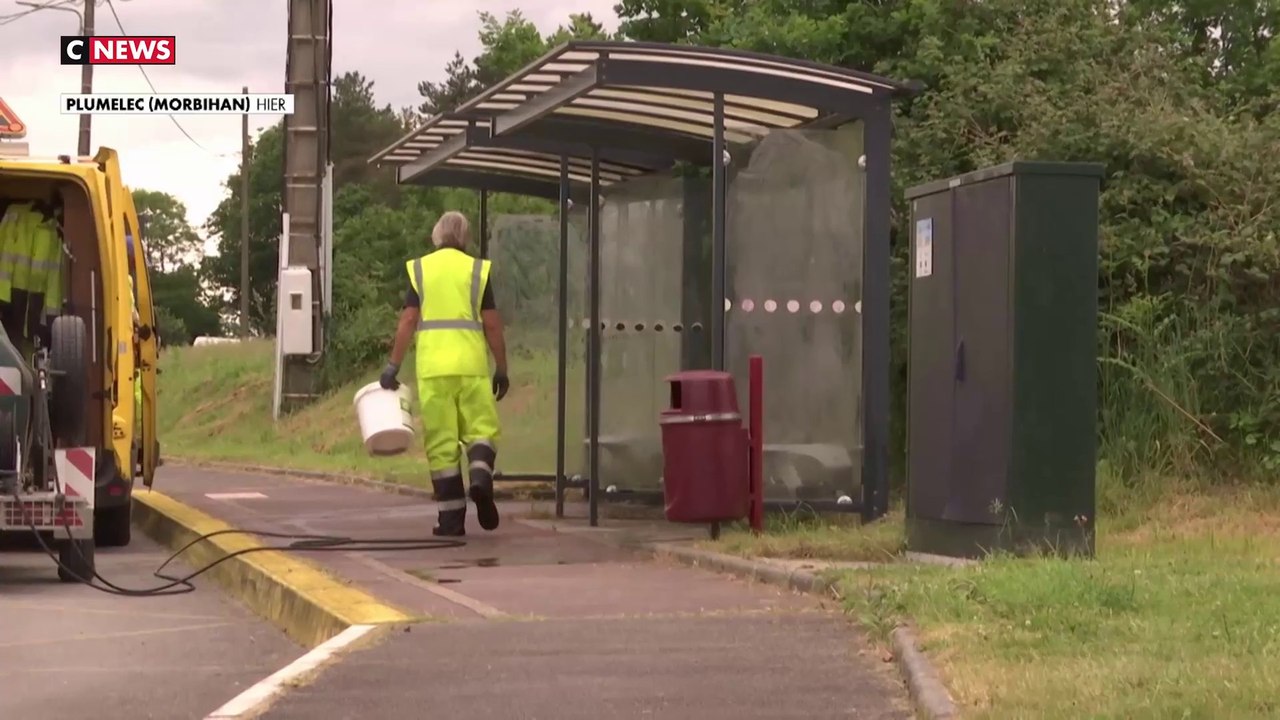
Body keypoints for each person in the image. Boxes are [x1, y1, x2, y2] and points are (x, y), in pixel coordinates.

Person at [380, 211, 510, 537]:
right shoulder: (477, 270)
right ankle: (480, 479)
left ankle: (451, 520)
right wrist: (502, 368)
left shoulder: (422, 269)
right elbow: (492, 324)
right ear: (465, 236)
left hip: (434, 370)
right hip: (471, 367)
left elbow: (408, 320)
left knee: (441, 444)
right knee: (481, 430)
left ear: (436, 234)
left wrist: (393, 366)